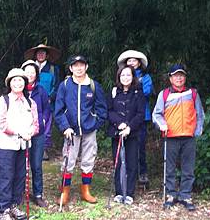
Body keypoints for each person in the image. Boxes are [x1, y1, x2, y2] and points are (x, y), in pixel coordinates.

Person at [54, 55, 108, 206]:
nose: (78, 68)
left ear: (86, 67)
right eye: (75, 65)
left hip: (89, 130)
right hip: (70, 130)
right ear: (71, 68)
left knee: (88, 159)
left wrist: (94, 123)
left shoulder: (93, 85)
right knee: (68, 160)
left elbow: (102, 109)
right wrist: (65, 127)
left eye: (81, 65)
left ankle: (86, 190)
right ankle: (65, 192)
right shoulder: (65, 85)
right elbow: (58, 110)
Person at [152, 64, 204, 211]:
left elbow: (200, 113)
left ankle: (185, 195)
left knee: (188, 167)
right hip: (171, 136)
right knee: (170, 168)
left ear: (185, 77)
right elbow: (156, 114)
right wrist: (161, 125)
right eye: (175, 75)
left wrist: (197, 130)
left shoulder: (192, 93)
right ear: (170, 78)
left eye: (181, 75)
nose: (179, 78)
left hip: (189, 136)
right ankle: (171, 194)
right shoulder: (164, 94)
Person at [0, 68, 39, 220]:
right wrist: (20, 132)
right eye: (14, 80)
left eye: (21, 80)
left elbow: (36, 124)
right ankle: (4, 209)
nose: (18, 83)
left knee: (21, 175)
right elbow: (2, 124)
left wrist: (31, 132)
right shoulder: (4, 101)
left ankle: (15, 204)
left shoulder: (30, 102)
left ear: (25, 83)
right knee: (7, 176)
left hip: (24, 144)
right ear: (9, 83)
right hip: (7, 145)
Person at [107, 65, 146, 204]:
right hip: (117, 132)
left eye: (128, 75)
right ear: (119, 77)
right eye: (123, 75)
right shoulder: (114, 92)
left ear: (133, 77)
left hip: (133, 133)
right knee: (117, 162)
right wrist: (119, 124)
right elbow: (109, 111)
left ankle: (129, 193)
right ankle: (119, 192)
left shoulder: (138, 93)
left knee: (132, 163)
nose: (125, 78)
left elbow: (141, 114)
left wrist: (129, 127)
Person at [116, 50, 154, 185]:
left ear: (139, 62)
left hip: (141, 116)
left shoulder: (145, 77)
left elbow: (148, 92)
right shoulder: (122, 76)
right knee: (125, 146)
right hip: (124, 116)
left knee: (140, 145)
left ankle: (142, 172)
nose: (132, 63)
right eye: (129, 60)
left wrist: (135, 89)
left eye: (134, 60)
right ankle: (126, 173)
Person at [21, 60, 52, 207]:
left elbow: (47, 108)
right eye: (27, 72)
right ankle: (20, 192)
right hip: (21, 133)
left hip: (37, 133)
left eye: (33, 72)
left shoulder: (41, 90)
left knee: (36, 164)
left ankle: (38, 194)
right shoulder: (18, 89)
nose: (30, 74)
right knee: (21, 164)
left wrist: (44, 120)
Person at [24, 44, 61, 160]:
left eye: (43, 53)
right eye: (38, 53)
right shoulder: (29, 67)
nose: (40, 55)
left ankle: (43, 149)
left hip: (47, 102)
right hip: (29, 100)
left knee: (45, 125)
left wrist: (51, 97)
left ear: (47, 55)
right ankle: (27, 147)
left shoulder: (53, 69)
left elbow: (56, 86)